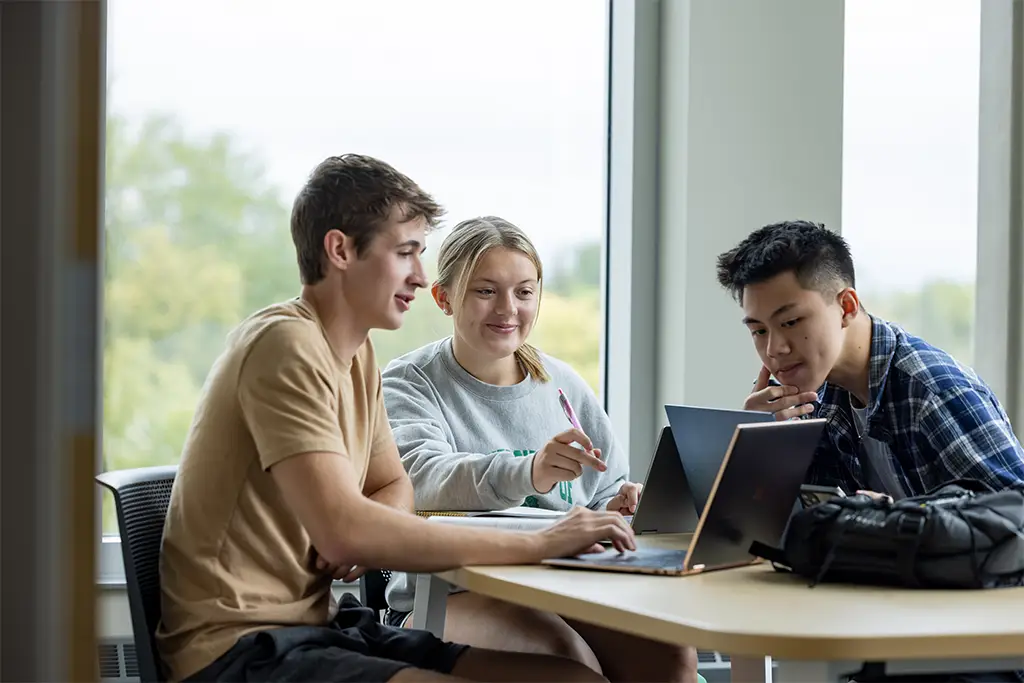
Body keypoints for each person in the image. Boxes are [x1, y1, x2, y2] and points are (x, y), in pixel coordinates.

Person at [155, 155, 638, 683]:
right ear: (340, 250)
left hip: (318, 626)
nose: (420, 276)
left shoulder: (355, 356)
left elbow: (392, 484)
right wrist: (542, 541)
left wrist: (366, 526)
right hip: (239, 649)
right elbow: (344, 532)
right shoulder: (285, 344)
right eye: (405, 253)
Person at [380, 216, 699, 683]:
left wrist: (618, 505)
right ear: (444, 298)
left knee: (673, 659)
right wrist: (530, 472)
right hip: (447, 597)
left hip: (563, 588)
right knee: (568, 662)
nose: (508, 309)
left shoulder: (562, 384)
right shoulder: (410, 382)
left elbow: (601, 492)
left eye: (524, 292)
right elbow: (422, 482)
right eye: (486, 291)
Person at [715, 220, 1024, 500]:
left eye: (791, 322)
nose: (773, 349)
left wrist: (896, 519)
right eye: (758, 330)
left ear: (847, 307)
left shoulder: (933, 391)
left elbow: (1017, 515)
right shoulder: (810, 399)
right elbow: (778, 531)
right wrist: (756, 448)